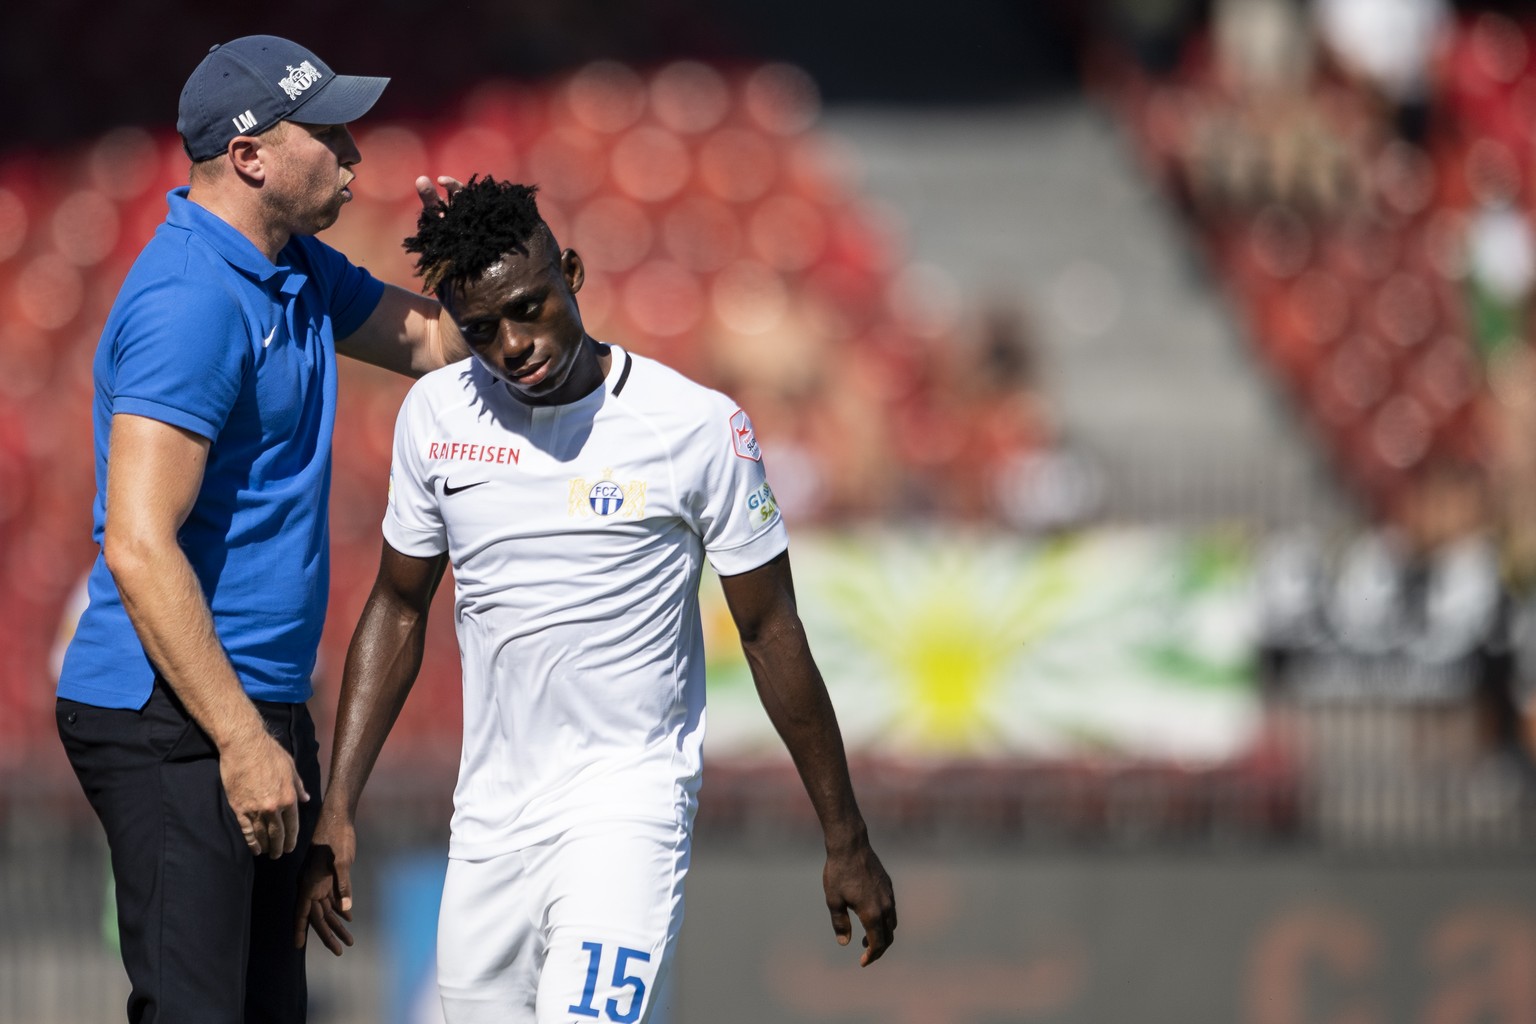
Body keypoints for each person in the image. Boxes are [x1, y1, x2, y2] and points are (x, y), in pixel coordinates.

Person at [294, 176, 898, 1022]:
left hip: (626, 809)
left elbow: (769, 631)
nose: (511, 344)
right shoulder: (435, 415)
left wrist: (846, 836)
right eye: (480, 330)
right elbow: (397, 608)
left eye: (529, 307)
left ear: (570, 273)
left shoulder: (693, 428)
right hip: (490, 823)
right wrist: (339, 809)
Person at [54, 34, 466, 1024]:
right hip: (178, 718)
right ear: (250, 156)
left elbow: (436, 345)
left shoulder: (297, 270)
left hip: (255, 706)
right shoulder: (192, 300)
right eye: (327, 131)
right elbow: (139, 542)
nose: (356, 155)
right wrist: (241, 740)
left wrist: (479, 263)